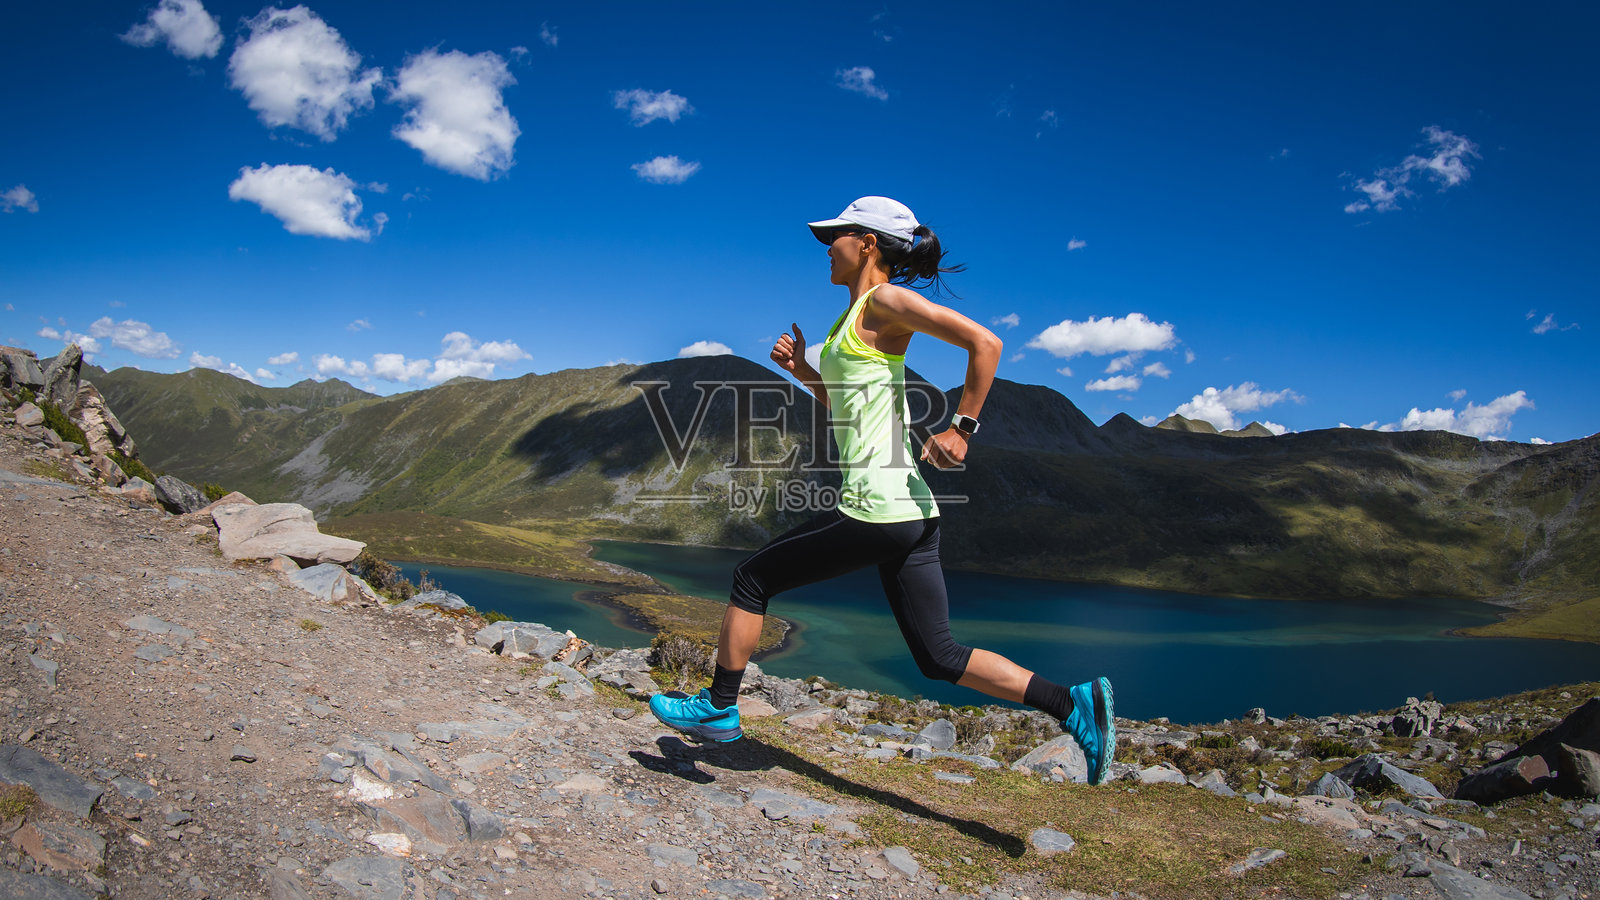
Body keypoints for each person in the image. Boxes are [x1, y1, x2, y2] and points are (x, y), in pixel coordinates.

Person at [648, 196, 1117, 785]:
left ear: (867, 243)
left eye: (836, 236)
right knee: (938, 655)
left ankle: (719, 706)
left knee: (752, 577)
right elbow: (846, 406)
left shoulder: (887, 300)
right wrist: (804, 374)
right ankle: (1073, 704)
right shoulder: (850, 319)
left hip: (876, 507)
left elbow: (986, 344)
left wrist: (961, 427)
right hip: (913, 511)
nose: (827, 246)